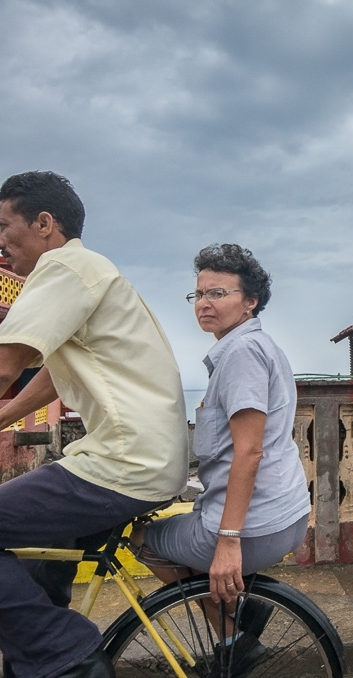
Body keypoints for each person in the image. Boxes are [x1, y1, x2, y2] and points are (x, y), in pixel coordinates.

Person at [0, 171, 189, 678]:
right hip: (141, 458)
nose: (0, 242)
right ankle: (39, 656)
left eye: (4, 225)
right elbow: (53, 377)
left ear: (44, 223)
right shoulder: (87, 271)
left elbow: (6, 364)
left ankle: (67, 658)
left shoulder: (63, 268)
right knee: (38, 556)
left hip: (124, 463)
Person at [135, 244, 311, 675]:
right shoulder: (255, 347)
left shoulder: (241, 354)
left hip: (252, 526)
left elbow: (249, 450)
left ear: (250, 301)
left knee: (142, 540)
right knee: (180, 541)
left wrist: (228, 543)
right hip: (282, 513)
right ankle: (239, 610)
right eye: (199, 295)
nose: (205, 304)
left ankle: (234, 637)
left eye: (218, 293)